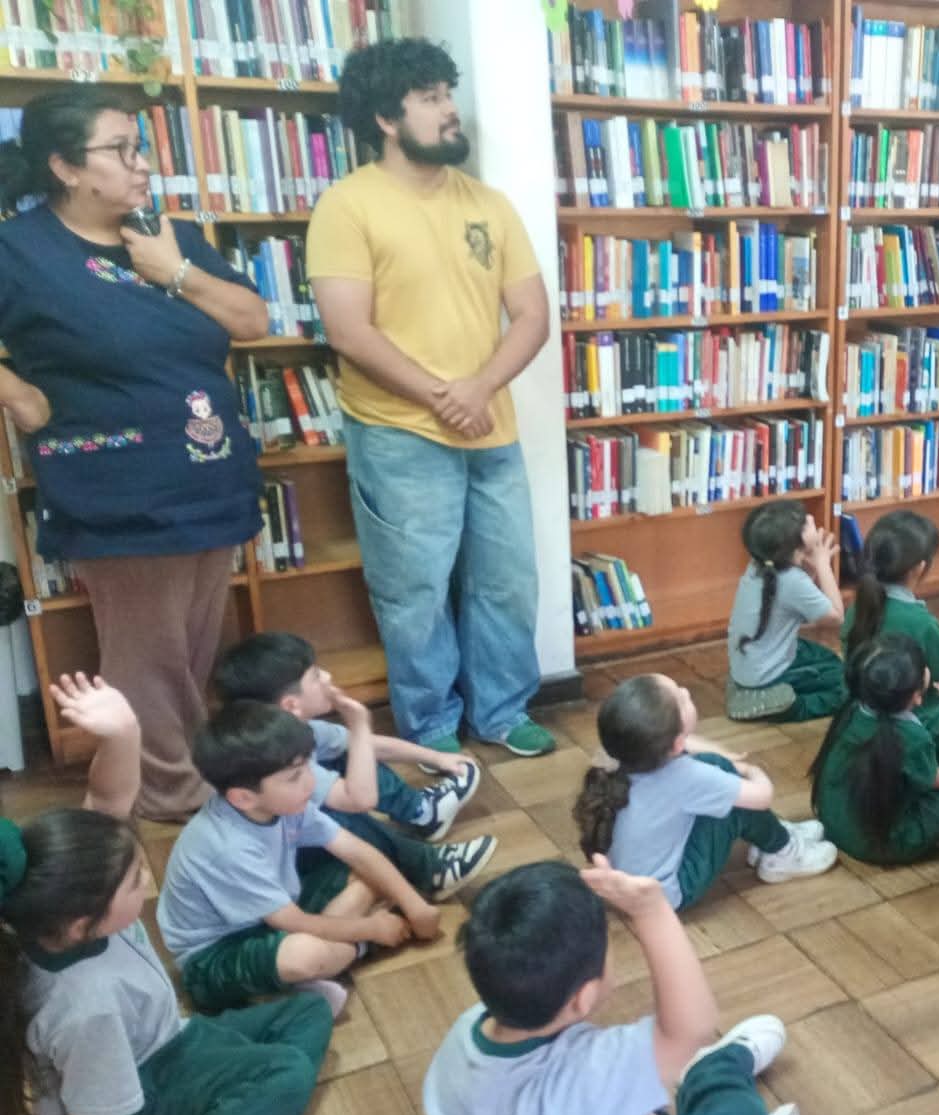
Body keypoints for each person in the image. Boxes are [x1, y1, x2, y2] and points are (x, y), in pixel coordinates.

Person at [0, 87, 270, 821]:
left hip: (209, 477)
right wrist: (19, 397)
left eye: (140, 147)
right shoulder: (20, 251)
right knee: (148, 660)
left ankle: (184, 783)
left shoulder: (166, 235)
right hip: (117, 491)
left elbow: (251, 319)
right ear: (64, 167)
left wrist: (176, 272)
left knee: (189, 653)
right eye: (119, 150)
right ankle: (172, 797)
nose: (141, 164)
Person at [307, 37, 555, 763]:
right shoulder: (347, 206)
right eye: (431, 99)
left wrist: (479, 388)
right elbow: (349, 330)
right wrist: (445, 398)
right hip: (398, 433)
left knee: (506, 582)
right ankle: (430, 725)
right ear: (387, 119)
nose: (451, 110)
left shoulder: (489, 204)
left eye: (448, 94)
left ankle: (504, 710)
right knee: (413, 591)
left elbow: (533, 315)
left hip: (491, 428)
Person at [1, 678, 331, 1115]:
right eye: (136, 881)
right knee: (286, 1072)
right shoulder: (88, 1008)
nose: (146, 879)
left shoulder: (66, 900)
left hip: (171, 1041)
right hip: (129, 1114)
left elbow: (108, 802)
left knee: (307, 1013)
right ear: (83, 923)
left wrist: (124, 732)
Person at [423, 858, 801, 1115]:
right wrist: (651, 910)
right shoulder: (587, 1073)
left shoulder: (467, 1029)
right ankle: (717, 1069)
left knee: (645, 1110)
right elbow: (690, 1028)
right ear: (583, 998)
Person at [157, 701, 499, 1012]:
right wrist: (371, 929)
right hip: (216, 952)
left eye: (308, 767)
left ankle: (315, 973)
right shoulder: (228, 847)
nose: (309, 783)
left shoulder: (284, 804)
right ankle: (334, 959)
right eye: (294, 777)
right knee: (304, 955)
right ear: (243, 798)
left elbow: (358, 851)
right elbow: (292, 922)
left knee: (369, 871)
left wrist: (416, 906)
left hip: (273, 911)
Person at [573, 674, 836, 910]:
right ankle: (783, 853)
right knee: (735, 805)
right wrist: (753, 771)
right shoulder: (685, 776)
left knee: (717, 768)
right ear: (675, 744)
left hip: (625, 888)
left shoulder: (622, 753)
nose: (686, 691)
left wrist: (727, 761)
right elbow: (762, 797)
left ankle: (771, 835)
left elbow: (687, 745)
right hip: (666, 897)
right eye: (680, 698)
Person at [214, 631, 482, 841]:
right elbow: (359, 799)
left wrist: (437, 758)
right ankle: (419, 858)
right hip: (295, 857)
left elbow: (372, 745)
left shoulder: (301, 729)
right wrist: (360, 724)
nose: (328, 676)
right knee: (348, 813)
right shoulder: (283, 762)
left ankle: (422, 812)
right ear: (291, 705)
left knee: (355, 750)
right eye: (316, 676)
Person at [840, 510, 939, 763]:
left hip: (860, 713)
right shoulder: (920, 622)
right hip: (910, 722)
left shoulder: (859, 606)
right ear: (920, 567)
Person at [811, 634, 939, 865]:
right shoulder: (912, 736)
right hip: (884, 844)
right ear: (917, 696)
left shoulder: (851, 710)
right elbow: (932, 780)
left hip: (834, 823)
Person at [725, 500, 846, 722]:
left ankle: (748, 691)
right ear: (795, 547)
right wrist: (823, 564)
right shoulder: (790, 579)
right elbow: (836, 617)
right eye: (805, 522)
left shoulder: (761, 563)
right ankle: (788, 705)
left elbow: (800, 603)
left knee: (829, 660)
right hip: (766, 674)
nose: (811, 519)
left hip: (751, 665)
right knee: (847, 687)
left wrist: (809, 562)